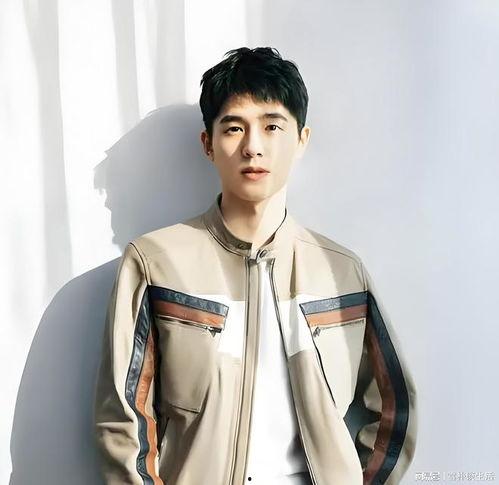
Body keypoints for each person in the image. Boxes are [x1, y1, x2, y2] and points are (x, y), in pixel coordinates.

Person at [93, 46, 417, 485]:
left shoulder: (341, 272)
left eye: (272, 126)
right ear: (208, 144)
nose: (253, 147)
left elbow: (395, 407)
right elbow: (123, 418)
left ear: (301, 140)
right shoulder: (155, 263)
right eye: (233, 128)